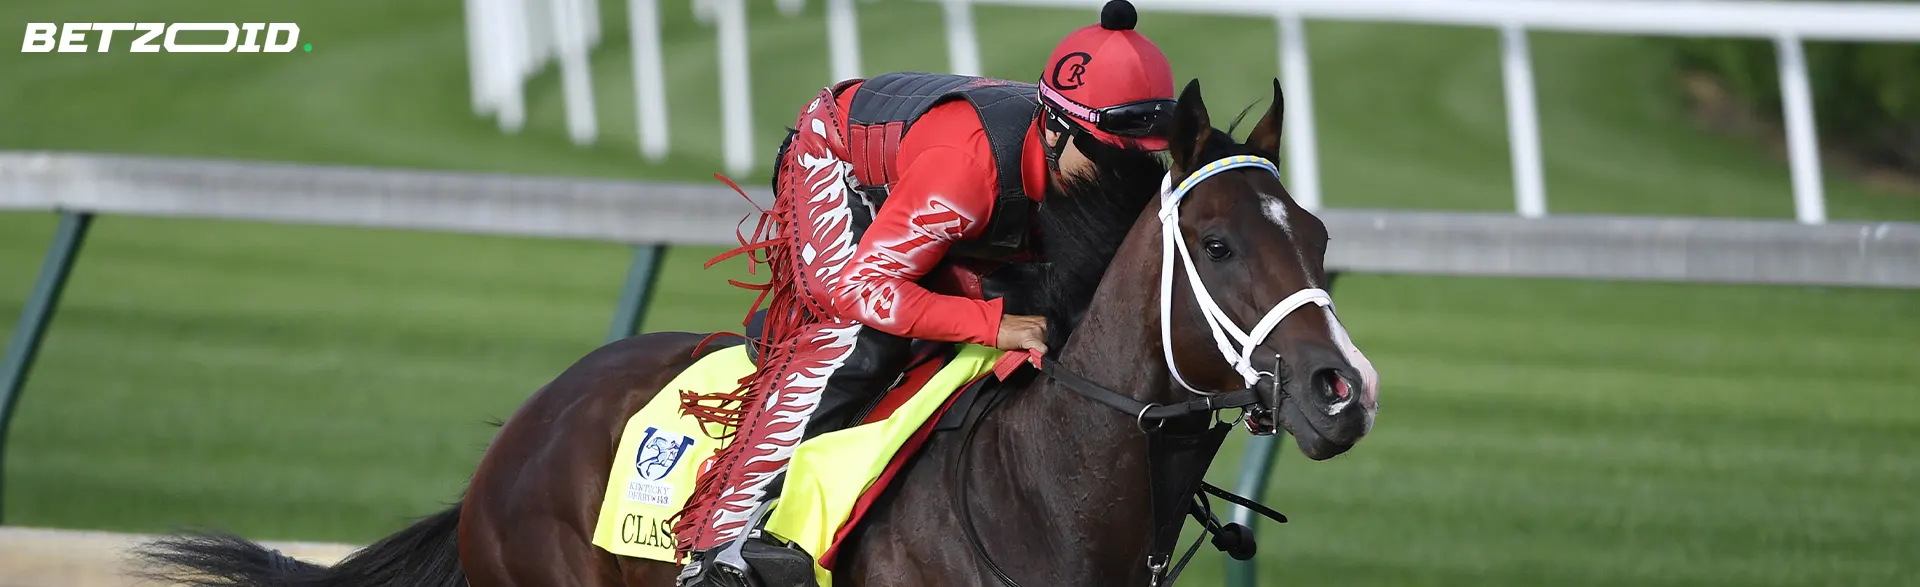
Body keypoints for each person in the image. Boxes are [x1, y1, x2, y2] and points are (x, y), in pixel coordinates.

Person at [673, 1, 1176, 585]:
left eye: (1145, 159)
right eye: (1111, 156)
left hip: (946, 182)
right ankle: (722, 546)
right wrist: (996, 326)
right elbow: (865, 289)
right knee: (862, 338)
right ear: (1056, 131)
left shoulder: (1069, 153)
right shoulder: (967, 175)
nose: (1125, 177)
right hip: (838, 162)